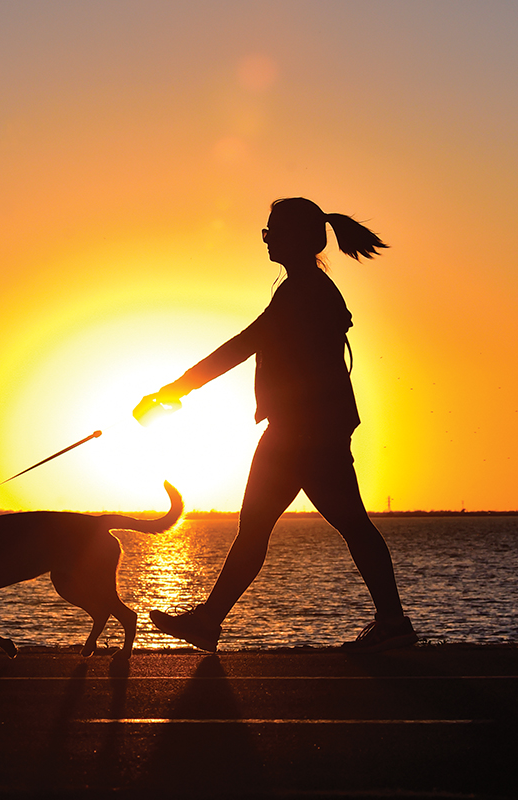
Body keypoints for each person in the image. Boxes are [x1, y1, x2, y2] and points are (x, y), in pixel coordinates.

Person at [139, 197, 416, 653]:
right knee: (271, 527)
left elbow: (246, 342)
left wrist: (177, 388)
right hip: (302, 429)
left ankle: (392, 621)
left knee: (342, 525)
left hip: (304, 433)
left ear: (301, 238)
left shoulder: (303, 291)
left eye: (273, 232)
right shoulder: (305, 288)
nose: (266, 239)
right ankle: (211, 620)